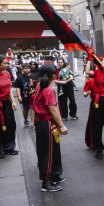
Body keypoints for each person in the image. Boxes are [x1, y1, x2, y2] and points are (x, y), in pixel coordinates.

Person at [32, 64, 68, 192]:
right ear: (54, 75)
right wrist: (62, 126)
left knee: (54, 150)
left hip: (42, 123)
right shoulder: (48, 89)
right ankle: (46, 182)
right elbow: (52, 109)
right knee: (48, 152)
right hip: (46, 123)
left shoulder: (40, 86)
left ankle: (55, 175)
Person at [14, 63, 34, 127]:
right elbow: (18, 87)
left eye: (28, 68)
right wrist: (19, 96)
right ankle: (25, 119)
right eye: (25, 68)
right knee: (26, 109)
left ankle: (33, 122)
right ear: (22, 69)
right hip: (25, 96)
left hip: (33, 96)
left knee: (33, 108)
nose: (27, 70)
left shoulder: (34, 76)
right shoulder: (20, 77)